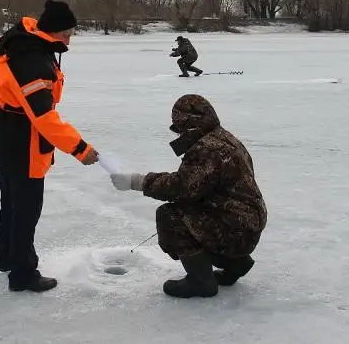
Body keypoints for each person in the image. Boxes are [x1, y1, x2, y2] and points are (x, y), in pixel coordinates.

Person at [0, 0, 99, 293]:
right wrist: (80, 148)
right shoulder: (31, 61)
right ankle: (23, 274)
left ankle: (8, 260)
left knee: (10, 204)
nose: (69, 40)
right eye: (66, 34)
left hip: (6, 133)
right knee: (25, 209)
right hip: (22, 139)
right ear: (51, 31)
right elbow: (44, 118)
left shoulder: (25, 42)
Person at [110, 94, 267, 298]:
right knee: (194, 214)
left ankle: (201, 281)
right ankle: (235, 264)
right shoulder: (223, 137)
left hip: (234, 228)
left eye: (181, 127)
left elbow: (181, 188)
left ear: (191, 124)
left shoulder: (207, 149)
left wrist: (136, 181)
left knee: (170, 216)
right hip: (246, 224)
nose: (180, 133)